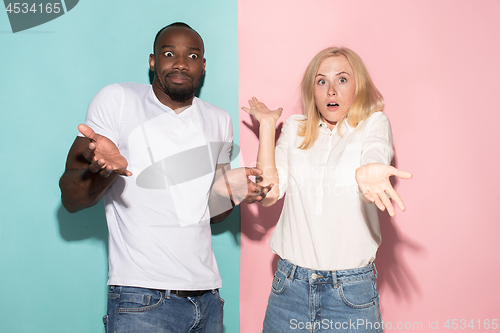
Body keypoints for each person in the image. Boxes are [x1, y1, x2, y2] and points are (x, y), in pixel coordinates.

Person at [59, 22, 270, 333]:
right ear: (153, 61)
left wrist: (231, 192)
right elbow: (71, 198)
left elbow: (215, 215)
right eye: (169, 53)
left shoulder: (218, 119)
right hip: (141, 298)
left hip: (208, 299)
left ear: (203, 66)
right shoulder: (118, 100)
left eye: (193, 55)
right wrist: (106, 170)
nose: (181, 63)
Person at [242, 47, 412, 332]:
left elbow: (376, 151)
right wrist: (268, 127)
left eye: (342, 79)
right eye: (321, 81)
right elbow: (269, 194)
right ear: (313, 90)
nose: (331, 90)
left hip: (350, 292)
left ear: (358, 86)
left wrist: (370, 170)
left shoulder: (373, 123)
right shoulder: (296, 127)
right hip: (289, 289)